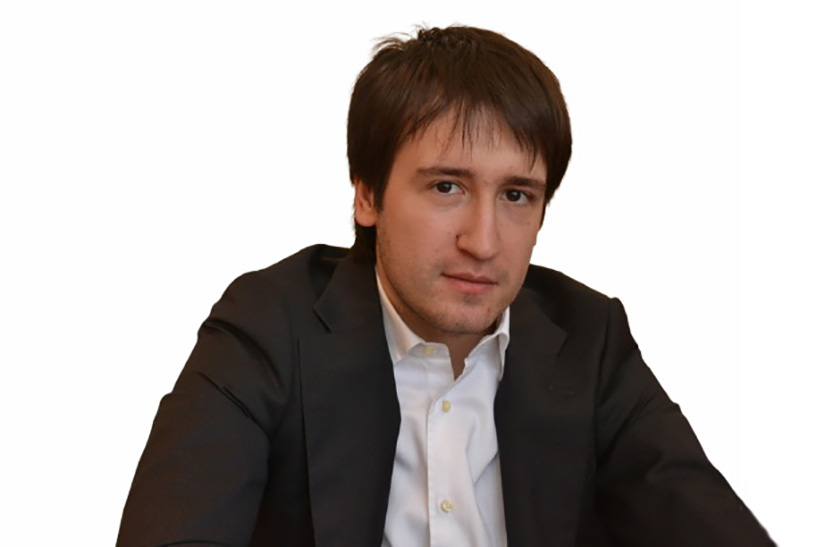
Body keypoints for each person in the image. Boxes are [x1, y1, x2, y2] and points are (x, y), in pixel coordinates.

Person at [118, 26, 773, 546]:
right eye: (447, 186)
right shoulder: (269, 325)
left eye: (516, 195)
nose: (483, 241)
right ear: (367, 195)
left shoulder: (588, 339)